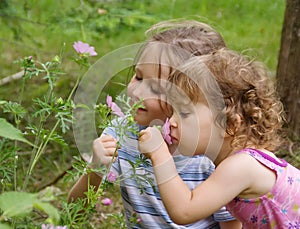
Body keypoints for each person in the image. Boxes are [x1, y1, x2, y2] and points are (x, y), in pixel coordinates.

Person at [68, 20, 241, 228]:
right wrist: (95, 169)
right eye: (138, 76)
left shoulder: (209, 153)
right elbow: (75, 214)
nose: (136, 91)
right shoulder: (120, 135)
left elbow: (230, 225)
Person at [138, 48, 300, 228]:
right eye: (172, 111)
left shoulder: (241, 166)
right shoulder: (242, 161)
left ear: (228, 125)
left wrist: (160, 156)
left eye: (183, 113)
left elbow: (184, 211)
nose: (171, 121)